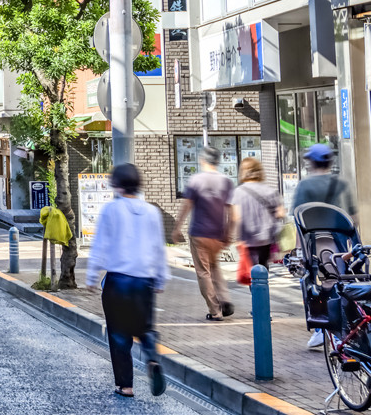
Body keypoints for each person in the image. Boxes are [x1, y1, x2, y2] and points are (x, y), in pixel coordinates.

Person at [86, 163, 168, 399]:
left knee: (119, 334)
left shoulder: (111, 210)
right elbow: (159, 249)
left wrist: (92, 276)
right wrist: (161, 278)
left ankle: (126, 385)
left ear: (117, 184)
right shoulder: (152, 211)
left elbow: (99, 244)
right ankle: (152, 357)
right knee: (145, 327)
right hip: (145, 281)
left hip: (118, 281)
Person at [292, 142, 357, 348]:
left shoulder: (305, 185)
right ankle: (344, 328)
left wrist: (298, 249)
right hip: (339, 243)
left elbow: (299, 221)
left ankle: (323, 330)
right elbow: (353, 218)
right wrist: (354, 245)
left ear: (311, 162)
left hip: (314, 243)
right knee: (340, 282)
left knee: (317, 286)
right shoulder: (342, 183)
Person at [171, 146, 235, 321]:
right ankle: (225, 298)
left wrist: (177, 228)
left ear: (203, 160)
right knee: (215, 268)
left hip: (199, 233)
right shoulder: (226, 181)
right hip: (218, 235)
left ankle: (216, 310)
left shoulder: (196, 180)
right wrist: (229, 233)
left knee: (204, 272)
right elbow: (232, 213)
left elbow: (186, 206)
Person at [231, 157, 284, 270]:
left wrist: (236, 239)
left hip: (247, 239)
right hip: (266, 238)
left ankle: (255, 286)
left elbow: (236, 218)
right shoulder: (270, 191)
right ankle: (263, 285)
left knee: (251, 272)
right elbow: (280, 213)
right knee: (263, 269)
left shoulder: (238, 192)